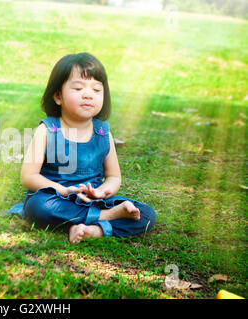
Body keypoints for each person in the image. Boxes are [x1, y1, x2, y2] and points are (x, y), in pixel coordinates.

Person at [9, 52, 156, 244]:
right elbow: (28, 177)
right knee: (38, 208)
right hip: (56, 198)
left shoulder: (103, 133)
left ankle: (93, 230)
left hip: (92, 200)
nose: (88, 94)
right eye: (78, 88)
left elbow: (113, 177)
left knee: (146, 215)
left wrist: (102, 192)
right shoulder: (48, 130)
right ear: (58, 96)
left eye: (96, 90)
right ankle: (108, 217)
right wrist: (62, 190)